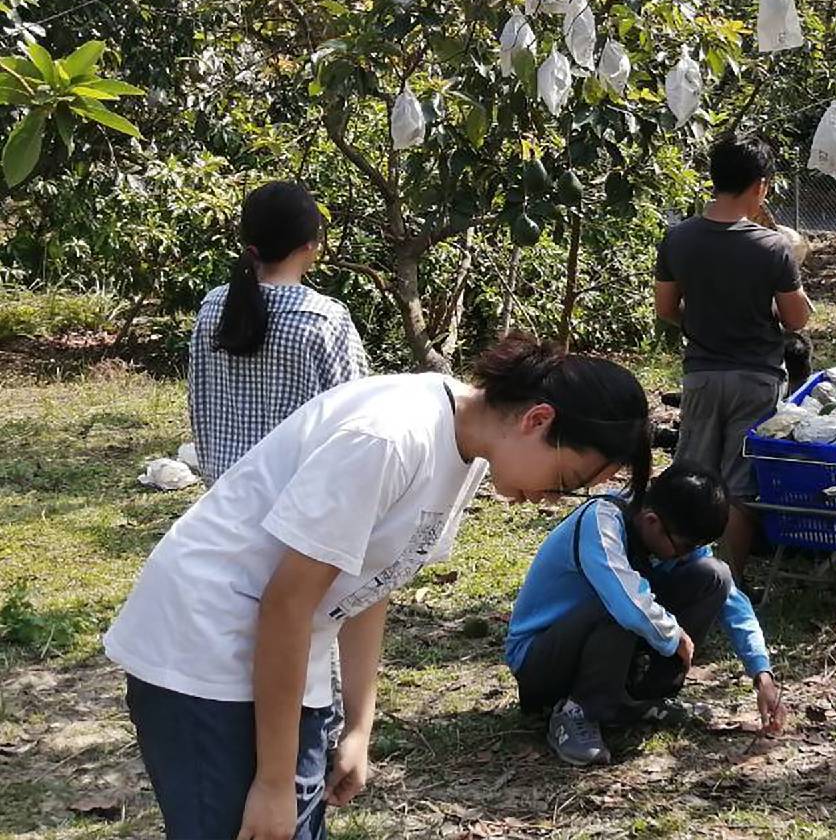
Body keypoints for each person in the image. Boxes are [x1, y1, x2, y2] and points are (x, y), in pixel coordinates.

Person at [104, 335, 652, 840]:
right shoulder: (391, 437)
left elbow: (373, 579)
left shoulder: (468, 449)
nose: (549, 500)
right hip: (204, 646)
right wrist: (274, 782)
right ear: (537, 419)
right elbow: (285, 603)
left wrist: (357, 728)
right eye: (563, 482)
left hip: (280, 653)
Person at [506, 462, 787, 766]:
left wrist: (762, 673)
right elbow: (626, 603)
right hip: (541, 660)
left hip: (605, 633)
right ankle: (578, 710)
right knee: (622, 602)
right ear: (652, 521)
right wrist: (674, 635)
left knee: (713, 576)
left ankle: (638, 702)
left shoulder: (670, 529)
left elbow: (732, 597)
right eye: (683, 547)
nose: (686, 555)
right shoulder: (600, 522)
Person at [654, 136, 812, 574]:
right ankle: (730, 584)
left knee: (693, 479)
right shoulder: (772, 247)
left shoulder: (678, 239)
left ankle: (682, 572)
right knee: (740, 486)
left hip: (701, 375)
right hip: (757, 378)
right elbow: (795, 319)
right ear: (760, 186)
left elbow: (666, 309)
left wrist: (703, 319)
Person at [189, 181, 369, 484]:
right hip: (295, 506)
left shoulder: (212, 307)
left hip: (222, 500)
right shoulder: (323, 321)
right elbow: (356, 423)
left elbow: (198, 403)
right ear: (311, 243)